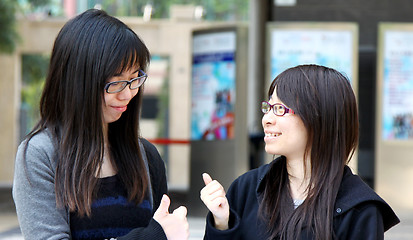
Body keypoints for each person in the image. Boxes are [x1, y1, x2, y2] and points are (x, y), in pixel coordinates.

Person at [13, 9, 189, 240]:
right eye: (115, 83)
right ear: (78, 83)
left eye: (134, 79)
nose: (127, 94)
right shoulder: (40, 155)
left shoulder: (146, 155)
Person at [200, 64, 400, 240]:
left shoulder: (360, 210)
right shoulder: (247, 188)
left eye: (279, 108)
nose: (266, 119)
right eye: (268, 107)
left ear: (318, 117)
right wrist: (222, 224)